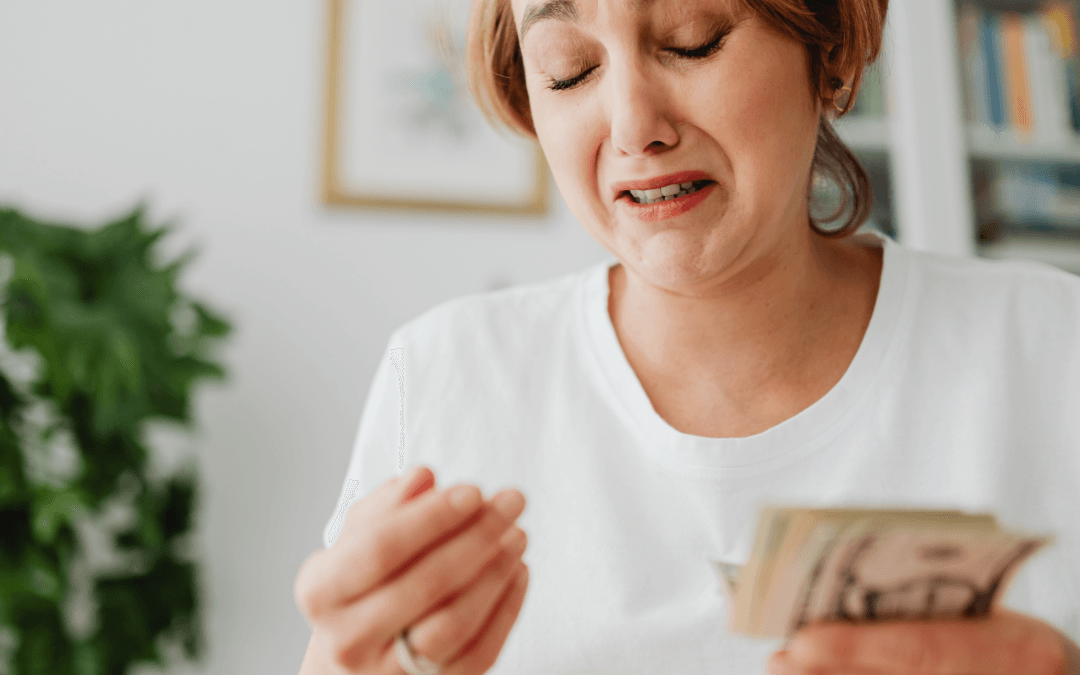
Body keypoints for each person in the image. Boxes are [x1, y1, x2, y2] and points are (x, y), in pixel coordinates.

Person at [293, 0, 1080, 672]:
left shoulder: (1050, 348)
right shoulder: (443, 374)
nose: (634, 126)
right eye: (569, 69)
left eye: (694, 39)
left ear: (830, 50)